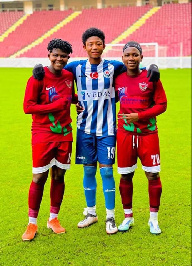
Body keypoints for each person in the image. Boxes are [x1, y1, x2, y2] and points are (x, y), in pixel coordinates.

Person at [33, 28, 160, 235]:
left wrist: (152, 67)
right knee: (89, 170)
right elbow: (56, 69)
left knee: (107, 171)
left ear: (103, 45)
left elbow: (134, 66)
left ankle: (110, 216)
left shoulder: (114, 67)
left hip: (108, 129)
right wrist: (38, 67)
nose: (94, 47)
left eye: (98, 43)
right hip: (84, 129)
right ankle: (91, 213)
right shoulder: (75, 68)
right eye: (90, 44)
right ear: (84, 47)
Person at [22, 38, 77, 241]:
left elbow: (70, 97)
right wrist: (54, 107)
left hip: (64, 133)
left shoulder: (69, 76)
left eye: (63, 56)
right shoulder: (37, 78)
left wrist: (77, 102)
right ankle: (32, 223)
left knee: (59, 176)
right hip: (43, 134)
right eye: (56, 55)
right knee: (39, 177)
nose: (59, 59)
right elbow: (28, 107)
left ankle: (53, 218)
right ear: (49, 55)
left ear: (68, 58)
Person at [115, 41, 167, 234]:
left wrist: (140, 115)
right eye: (127, 55)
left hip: (148, 134)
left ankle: (153, 220)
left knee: (152, 175)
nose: (131, 58)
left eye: (135, 55)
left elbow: (162, 105)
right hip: (125, 134)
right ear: (122, 58)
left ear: (141, 58)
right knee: (126, 175)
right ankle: (128, 217)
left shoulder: (151, 77)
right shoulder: (117, 78)